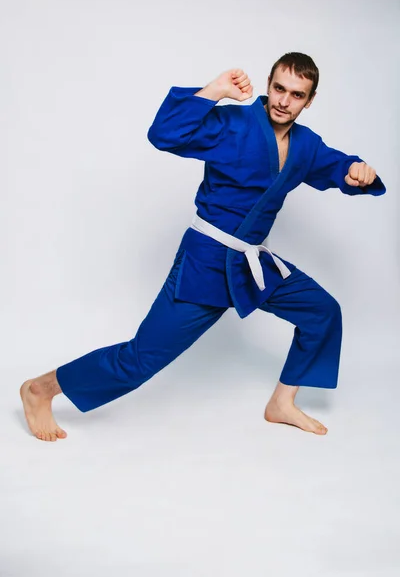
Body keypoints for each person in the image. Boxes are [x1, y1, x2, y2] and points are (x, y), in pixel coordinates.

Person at [20, 52, 385, 442]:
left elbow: (337, 166)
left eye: (296, 94)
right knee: (141, 358)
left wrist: (357, 171)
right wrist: (214, 91)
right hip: (206, 261)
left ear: (309, 101)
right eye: (279, 88)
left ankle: (282, 403)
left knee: (322, 311)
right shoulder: (234, 124)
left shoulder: (306, 145)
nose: (283, 100)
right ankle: (41, 389)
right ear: (268, 84)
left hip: (254, 263)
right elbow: (164, 134)